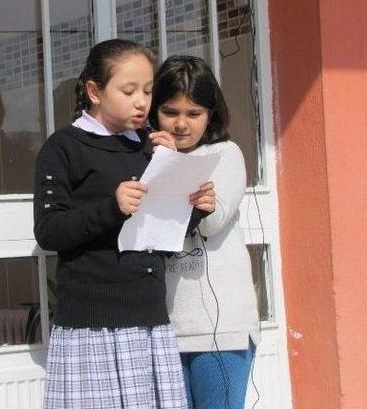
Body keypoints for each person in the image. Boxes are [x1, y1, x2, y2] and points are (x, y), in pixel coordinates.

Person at [34, 39, 189, 409]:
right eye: (129, 90)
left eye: (148, 91)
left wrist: (194, 201)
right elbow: (49, 230)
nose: (142, 102)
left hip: (148, 316)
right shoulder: (64, 147)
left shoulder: (150, 145)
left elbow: (162, 225)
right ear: (94, 91)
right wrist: (112, 207)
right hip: (94, 324)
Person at [150, 55, 260, 409]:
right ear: (154, 112)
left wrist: (169, 163)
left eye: (194, 113)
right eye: (170, 111)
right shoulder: (144, 157)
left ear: (211, 115)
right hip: (164, 330)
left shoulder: (224, 154)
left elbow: (213, 222)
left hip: (221, 331)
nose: (181, 124)